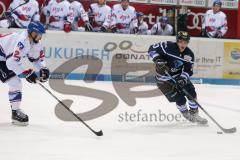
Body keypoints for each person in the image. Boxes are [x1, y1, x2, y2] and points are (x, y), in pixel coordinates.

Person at [148, 31, 208, 125]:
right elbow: (151, 49)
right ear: (177, 41)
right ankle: (186, 114)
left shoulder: (189, 54)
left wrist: (182, 79)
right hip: (163, 80)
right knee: (180, 99)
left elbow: (188, 70)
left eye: (185, 42)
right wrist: (157, 59)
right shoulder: (167, 46)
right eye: (181, 41)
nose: (183, 44)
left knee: (192, 94)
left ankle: (194, 114)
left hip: (178, 77)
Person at [0, 21, 50, 126]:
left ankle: (15, 112)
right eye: (38, 34)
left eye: (41, 34)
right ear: (32, 32)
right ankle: (15, 112)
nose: (40, 36)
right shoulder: (22, 41)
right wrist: (25, 72)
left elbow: (36, 60)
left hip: (4, 56)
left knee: (16, 83)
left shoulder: (35, 42)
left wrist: (43, 68)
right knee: (15, 82)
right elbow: (11, 62)